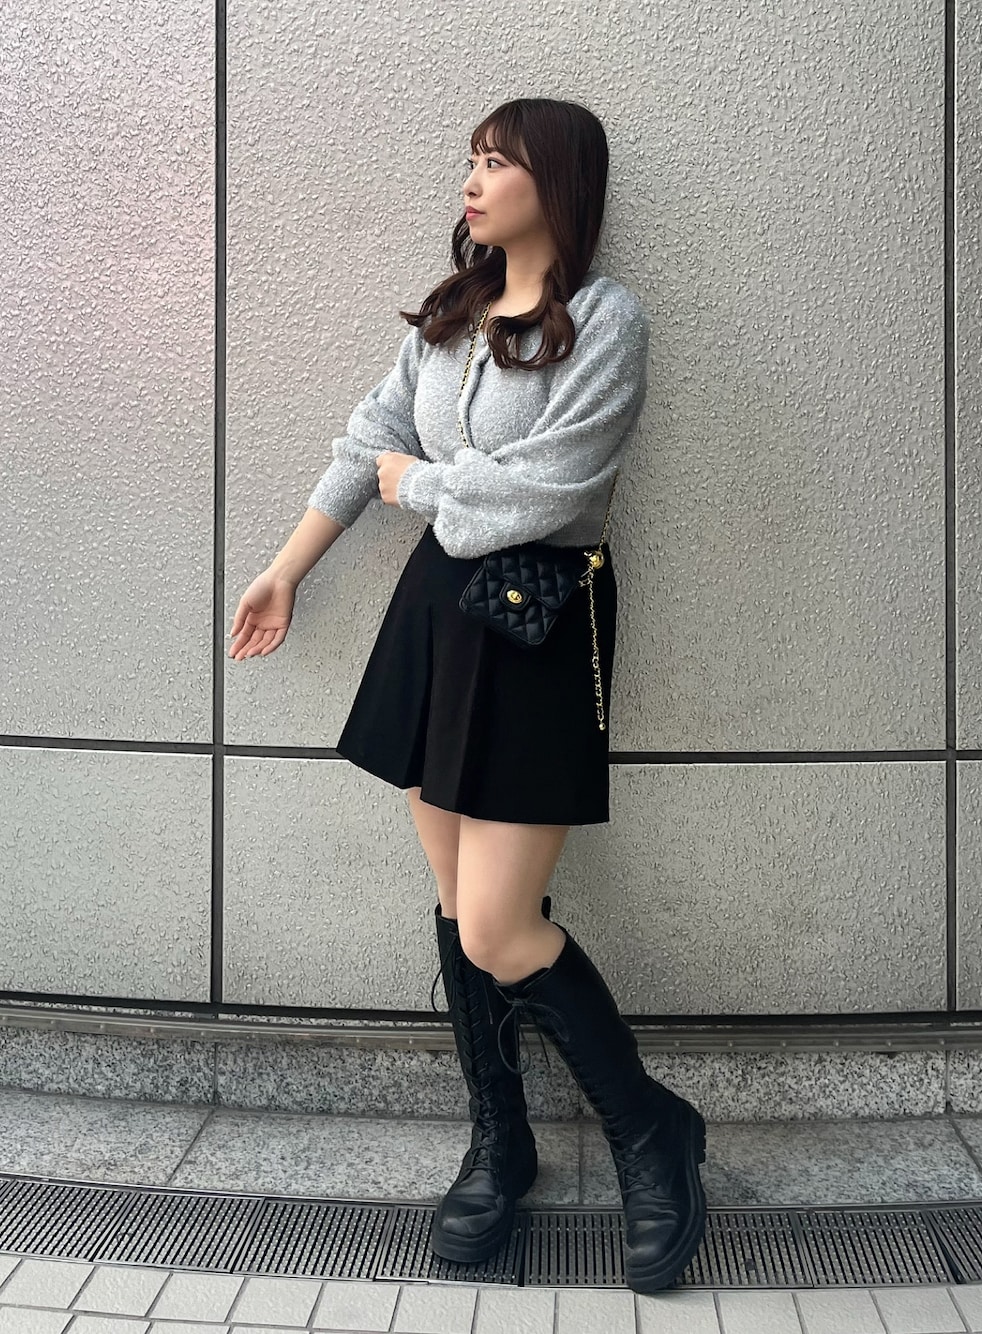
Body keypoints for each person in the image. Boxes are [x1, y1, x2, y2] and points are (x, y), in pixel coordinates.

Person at [228, 97, 707, 1294]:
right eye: (472, 159)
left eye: (499, 161)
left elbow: (554, 488)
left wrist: (422, 484)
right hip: (439, 614)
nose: (474, 179)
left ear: (559, 180)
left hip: (538, 618)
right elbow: (367, 443)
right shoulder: (449, 314)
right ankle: (502, 1143)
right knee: (457, 904)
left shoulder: (607, 318)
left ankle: (652, 1129)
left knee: (499, 924)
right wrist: (288, 569)